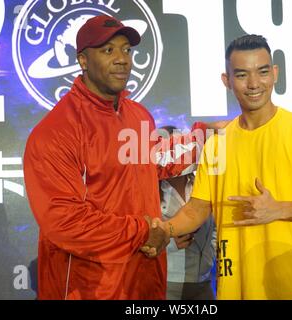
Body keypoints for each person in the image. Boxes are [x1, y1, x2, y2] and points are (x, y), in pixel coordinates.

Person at [23, 15, 226, 300]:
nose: (122, 59)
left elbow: (156, 160)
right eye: (108, 50)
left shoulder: (136, 114)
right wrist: (144, 232)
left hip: (145, 281)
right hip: (89, 288)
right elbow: (65, 223)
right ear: (82, 60)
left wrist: (204, 137)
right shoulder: (56, 132)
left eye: (126, 50)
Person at [145, 34, 292, 300]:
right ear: (227, 81)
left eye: (262, 71)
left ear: (275, 73)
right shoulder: (216, 144)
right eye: (242, 74)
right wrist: (166, 230)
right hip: (235, 289)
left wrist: (280, 209)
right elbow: (198, 208)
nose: (254, 83)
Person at [159, 126, 216, 300]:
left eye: (183, 146)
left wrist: (210, 254)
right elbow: (136, 238)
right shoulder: (146, 191)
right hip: (166, 283)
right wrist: (168, 244)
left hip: (203, 282)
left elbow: (215, 226)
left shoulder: (204, 182)